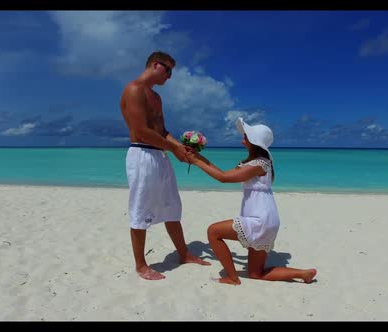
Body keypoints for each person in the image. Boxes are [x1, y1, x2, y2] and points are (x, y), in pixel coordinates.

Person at [186, 118, 317, 285]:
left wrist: (196, 161)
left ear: (254, 142)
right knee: (256, 274)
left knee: (213, 232)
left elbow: (223, 178)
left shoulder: (259, 164)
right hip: (267, 218)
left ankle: (233, 278)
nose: (243, 137)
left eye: (246, 135)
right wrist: (198, 158)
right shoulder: (259, 162)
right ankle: (303, 274)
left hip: (259, 218)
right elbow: (223, 173)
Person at [119, 50, 210, 280]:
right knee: (140, 209)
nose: (169, 76)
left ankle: (184, 253)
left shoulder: (156, 97)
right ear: (155, 65)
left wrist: (180, 147)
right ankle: (141, 265)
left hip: (160, 156)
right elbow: (141, 131)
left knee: (172, 207)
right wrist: (173, 149)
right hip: (142, 154)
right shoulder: (134, 89)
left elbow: (161, 131)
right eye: (168, 70)